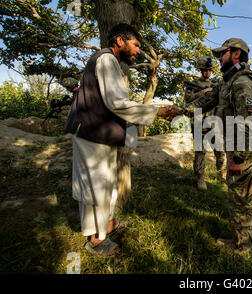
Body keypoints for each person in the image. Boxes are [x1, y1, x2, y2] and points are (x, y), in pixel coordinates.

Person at [65, 23, 178, 257]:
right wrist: (157, 111)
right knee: (97, 186)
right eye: (135, 45)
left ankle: (107, 225)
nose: (138, 51)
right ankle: (96, 240)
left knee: (106, 184)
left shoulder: (110, 62)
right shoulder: (106, 60)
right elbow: (116, 104)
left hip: (99, 134)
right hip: (92, 135)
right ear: (119, 41)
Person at [182, 38, 252, 254]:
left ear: (236, 54)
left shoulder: (242, 82)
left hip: (240, 151)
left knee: (239, 198)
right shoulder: (229, 81)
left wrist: (238, 158)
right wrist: (179, 110)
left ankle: (242, 246)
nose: (218, 58)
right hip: (237, 148)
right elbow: (204, 103)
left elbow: (249, 123)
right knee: (247, 193)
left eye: (222, 53)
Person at [184, 56, 226, 191]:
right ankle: (200, 177)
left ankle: (222, 174)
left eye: (209, 70)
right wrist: (201, 93)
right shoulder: (193, 85)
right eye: (204, 70)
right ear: (200, 70)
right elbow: (187, 101)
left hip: (215, 123)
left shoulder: (216, 85)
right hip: (199, 123)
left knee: (220, 151)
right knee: (200, 152)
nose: (207, 73)